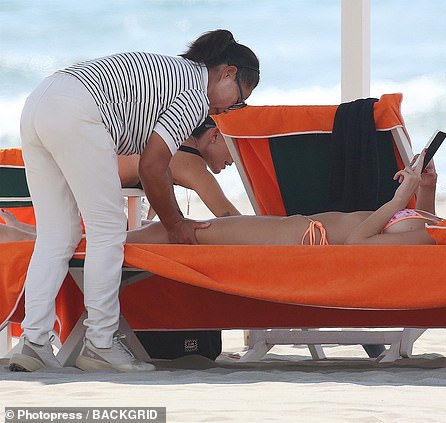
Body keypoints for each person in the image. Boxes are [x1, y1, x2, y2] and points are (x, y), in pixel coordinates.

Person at [10, 29, 260, 373]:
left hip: (41, 100)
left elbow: (151, 164)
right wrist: (176, 225)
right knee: (108, 229)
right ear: (228, 73)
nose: (229, 109)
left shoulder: (175, 72)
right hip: (76, 107)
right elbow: (153, 165)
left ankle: (34, 341)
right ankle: (100, 343)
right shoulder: (194, 92)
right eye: (239, 99)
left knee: (57, 233)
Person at [2, 157, 446, 248]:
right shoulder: (443, 226)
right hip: (289, 228)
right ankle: (44, 239)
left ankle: (35, 240)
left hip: (293, 240)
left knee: (178, 233)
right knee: (177, 231)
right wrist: (422, 185)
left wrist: (398, 197)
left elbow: (359, 242)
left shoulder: (436, 236)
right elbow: (418, 218)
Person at [118, 117, 241, 219]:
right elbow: (230, 217)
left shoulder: (172, 140)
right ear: (215, 135)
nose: (236, 159)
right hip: (102, 183)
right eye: (235, 145)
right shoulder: (190, 164)